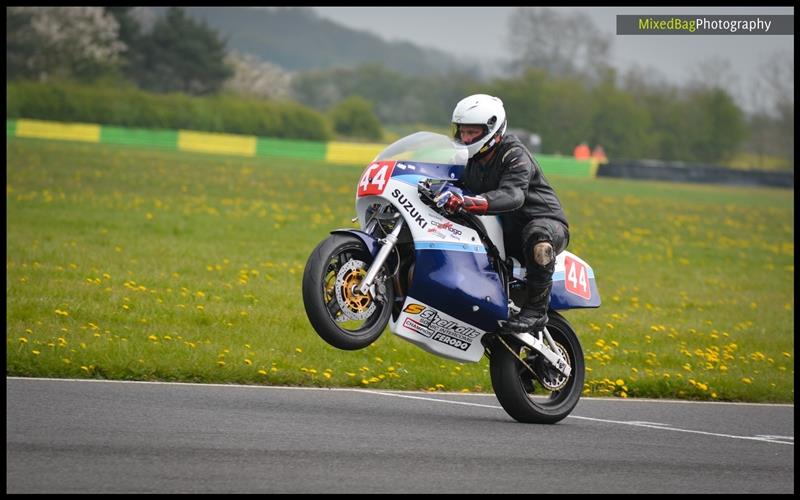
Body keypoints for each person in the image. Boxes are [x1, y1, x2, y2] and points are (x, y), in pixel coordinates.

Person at [434, 94, 570, 333]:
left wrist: (469, 202)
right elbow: (445, 177)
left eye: (472, 132)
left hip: (544, 223)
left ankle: (537, 312)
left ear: (492, 129)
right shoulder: (469, 158)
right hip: (504, 228)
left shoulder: (514, 154)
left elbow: (513, 195)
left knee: (537, 238)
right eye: (462, 131)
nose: (465, 138)